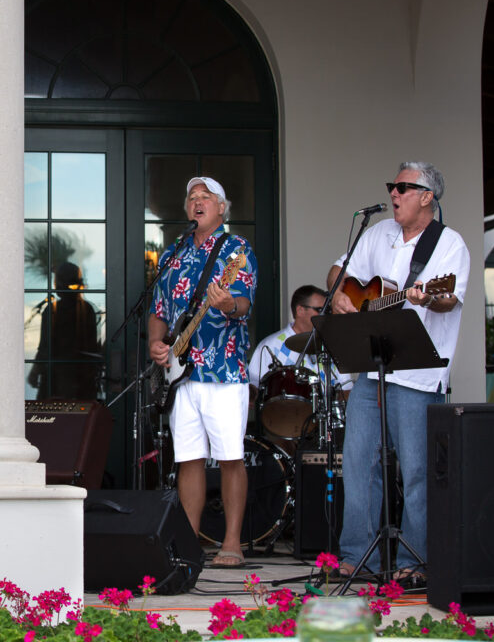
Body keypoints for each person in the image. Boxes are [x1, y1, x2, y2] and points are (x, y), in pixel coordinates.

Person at [329, 161, 470, 586]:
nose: (394, 192)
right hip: (372, 369)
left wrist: (426, 298)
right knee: (356, 463)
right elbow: (340, 271)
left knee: (418, 471)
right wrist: (340, 295)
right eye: (393, 186)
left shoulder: (448, 244)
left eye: (404, 187)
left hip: (419, 374)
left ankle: (415, 559)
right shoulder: (377, 234)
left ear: (428, 196)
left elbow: (448, 299)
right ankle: (357, 556)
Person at [148, 176, 257, 568]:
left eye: (205, 197)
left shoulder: (235, 249)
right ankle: (190, 543)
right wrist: (156, 345)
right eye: (191, 197)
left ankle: (231, 543)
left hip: (223, 370)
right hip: (181, 373)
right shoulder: (172, 253)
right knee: (188, 459)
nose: (197, 202)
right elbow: (158, 310)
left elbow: (244, 305)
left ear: (221, 208)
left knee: (229, 457)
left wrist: (227, 303)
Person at [247, 285, 353, 445]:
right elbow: (252, 388)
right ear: (300, 310)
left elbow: (347, 390)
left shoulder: (332, 345)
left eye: (327, 310)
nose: (324, 315)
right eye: (319, 309)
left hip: (328, 424)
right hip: (284, 424)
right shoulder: (271, 346)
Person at [28, 262, 101, 400]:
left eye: (57, 280)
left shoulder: (53, 310)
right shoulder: (88, 309)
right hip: (82, 382)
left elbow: (45, 346)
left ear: (60, 284)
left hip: (56, 381)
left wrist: (35, 371)